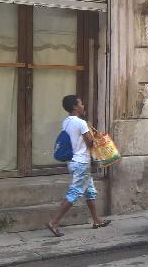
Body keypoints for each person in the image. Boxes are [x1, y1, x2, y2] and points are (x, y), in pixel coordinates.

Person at [46, 95, 111, 237]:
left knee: (90, 191)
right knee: (75, 192)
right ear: (75, 106)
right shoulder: (81, 123)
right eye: (81, 103)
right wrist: (97, 139)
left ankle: (96, 220)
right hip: (81, 162)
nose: (83, 106)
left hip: (74, 161)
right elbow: (90, 143)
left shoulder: (66, 122)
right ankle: (54, 221)